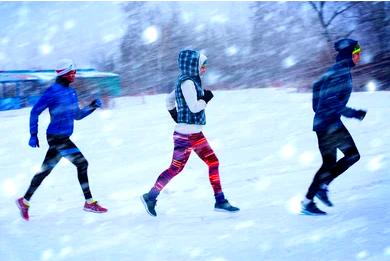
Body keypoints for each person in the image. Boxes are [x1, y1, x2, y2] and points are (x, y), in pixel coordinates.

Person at [141, 49, 240, 216]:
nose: (204, 69)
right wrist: (205, 99)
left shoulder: (188, 81)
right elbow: (194, 108)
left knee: (211, 163)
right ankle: (151, 196)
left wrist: (176, 116)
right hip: (187, 136)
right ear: (193, 65)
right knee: (176, 169)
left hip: (192, 134)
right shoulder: (187, 83)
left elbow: (169, 100)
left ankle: (220, 200)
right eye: (202, 65)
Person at [16, 59, 107, 221]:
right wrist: (33, 134)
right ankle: (89, 202)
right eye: (72, 73)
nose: (74, 76)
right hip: (56, 138)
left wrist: (92, 106)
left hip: (64, 137)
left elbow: (77, 116)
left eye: (75, 73)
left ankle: (24, 201)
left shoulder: (71, 93)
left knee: (45, 170)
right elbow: (34, 112)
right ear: (64, 75)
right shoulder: (52, 92)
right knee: (82, 163)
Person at [301, 39, 367, 215]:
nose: (359, 57)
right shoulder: (340, 73)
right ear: (348, 55)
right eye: (356, 54)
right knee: (352, 155)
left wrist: (318, 109)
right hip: (330, 124)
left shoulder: (336, 70)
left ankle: (309, 200)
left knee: (329, 163)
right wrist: (353, 113)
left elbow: (317, 87)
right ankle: (320, 188)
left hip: (324, 123)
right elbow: (330, 100)